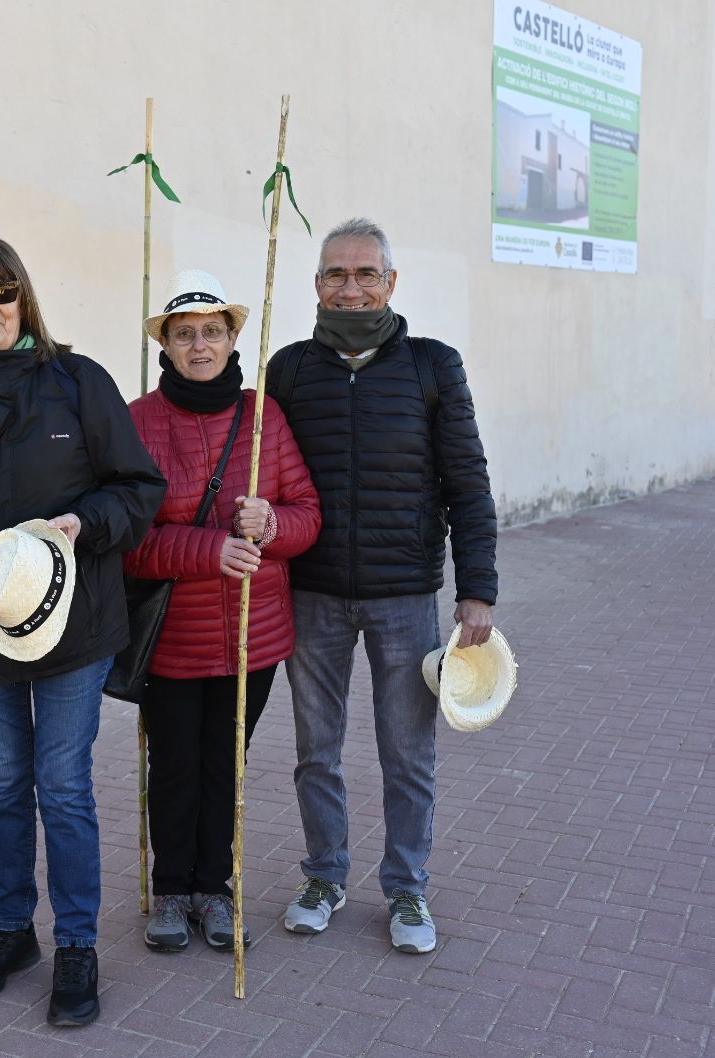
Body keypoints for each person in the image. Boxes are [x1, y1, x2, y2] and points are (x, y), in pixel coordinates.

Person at [0, 236, 164, 1026]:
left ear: (24, 298)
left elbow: (140, 488)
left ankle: (76, 942)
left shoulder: (78, 382)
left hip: (75, 628)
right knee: (4, 786)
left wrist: (89, 521)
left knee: (65, 785)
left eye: (0, 290)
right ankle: (13, 929)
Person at [266, 218, 499, 955]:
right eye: (337, 274)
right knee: (316, 750)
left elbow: (467, 483)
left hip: (406, 595)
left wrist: (477, 589)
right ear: (317, 284)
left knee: (408, 753)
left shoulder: (432, 366)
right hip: (313, 592)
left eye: (367, 274)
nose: (351, 286)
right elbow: (263, 476)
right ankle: (324, 876)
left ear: (391, 284)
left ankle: (406, 889)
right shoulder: (291, 370)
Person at [124, 270, 321, 953]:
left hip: (250, 636)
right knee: (173, 764)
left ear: (233, 337)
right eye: (185, 335)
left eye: (212, 332)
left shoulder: (264, 418)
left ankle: (216, 887)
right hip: (172, 637)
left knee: (223, 764)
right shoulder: (139, 421)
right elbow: (128, 543)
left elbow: (308, 519)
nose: (200, 345)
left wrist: (270, 526)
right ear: (167, 346)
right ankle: (171, 888)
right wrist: (211, 550)